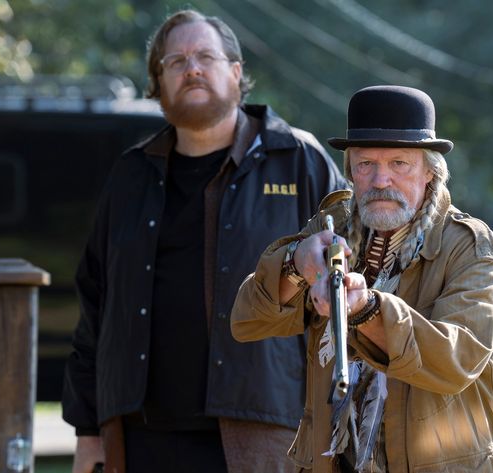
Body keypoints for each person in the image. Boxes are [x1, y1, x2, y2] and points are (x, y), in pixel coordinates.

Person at [62, 9, 346, 473]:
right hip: (140, 434)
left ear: (236, 72)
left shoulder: (299, 160)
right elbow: (94, 310)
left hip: (266, 429)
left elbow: (349, 289)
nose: (191, 68)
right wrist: (88, 430)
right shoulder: (129, 175)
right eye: (175, 62)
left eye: (205, 57)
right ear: (157, 84)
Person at [232, 85, 493, 473]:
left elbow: (455, 361)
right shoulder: (333, 228)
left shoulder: (472, 248)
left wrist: (365, 309)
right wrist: (296, 264)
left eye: (399, 163)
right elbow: (248, 319)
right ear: (350, 173)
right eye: (366, 165)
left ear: (430, 173)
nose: (381, 180)